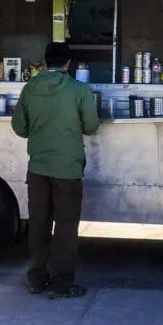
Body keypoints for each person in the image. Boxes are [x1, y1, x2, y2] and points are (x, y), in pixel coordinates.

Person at [11, 42, 100, 299]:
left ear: (45, 62)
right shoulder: (79, 90)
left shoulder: (30, 88)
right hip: (67, 170)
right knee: (65, 228)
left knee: (38, 224)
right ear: (67, 64)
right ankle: (62, 285)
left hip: (38, 168)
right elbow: (91, 126)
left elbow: (19, 128)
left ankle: (37, 280)